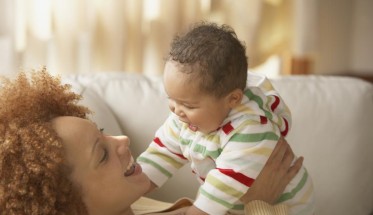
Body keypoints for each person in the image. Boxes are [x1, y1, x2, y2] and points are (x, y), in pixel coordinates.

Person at [0, 68, 303, 215]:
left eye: (103, 131)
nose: (121, 139)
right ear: (69, 206)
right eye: (102, 154)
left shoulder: (132, 203)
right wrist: (259, 202)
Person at [137, 22, 315, 215]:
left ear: (232, 99)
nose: (176, 110)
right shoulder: (183, 119)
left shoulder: (251, 127)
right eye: (171, 98)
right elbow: (160, 154)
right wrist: (129, 189)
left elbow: (222, 186)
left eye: (188, 105)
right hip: (239, 205)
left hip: (288, 208)